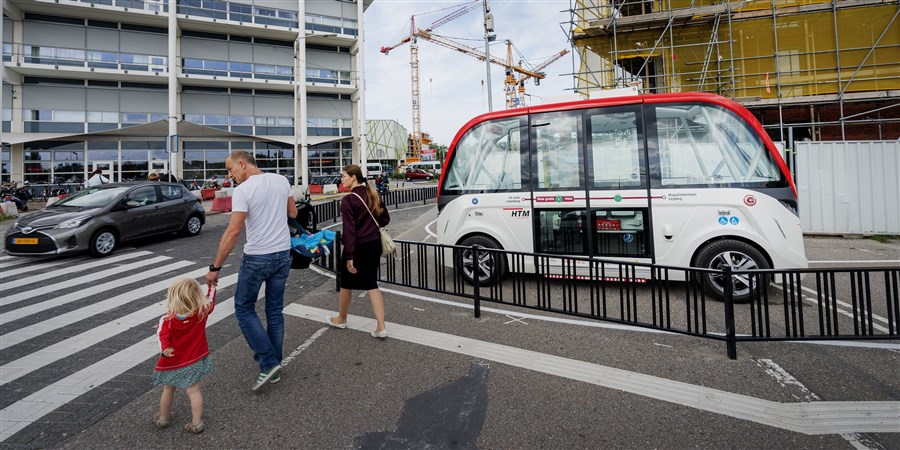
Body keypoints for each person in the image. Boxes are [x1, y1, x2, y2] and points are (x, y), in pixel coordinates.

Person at [205, 151, 297, 391]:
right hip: (282, 254)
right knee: (274, 311)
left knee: (244, 309)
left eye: (230, 169)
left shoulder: (243, 191)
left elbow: (233, 232)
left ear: (242, 164)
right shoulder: (281, 180)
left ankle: (268, 363)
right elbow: (293, 214)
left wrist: (215, 267)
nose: (230, 175)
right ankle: (274, 364)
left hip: (257, 257)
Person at [326, 164, 390, 338]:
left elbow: (349, 230)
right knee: (371, 283)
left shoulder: (349, 200)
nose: (342, 179)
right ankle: (381, 326)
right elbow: (385, 218)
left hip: (358, 246)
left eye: (344, 176)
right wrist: (371, 227)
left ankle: (341, 318)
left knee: (346, 282)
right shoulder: (372, 194)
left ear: (353, 177)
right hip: (374, 244)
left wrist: (350, 255)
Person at [153, 278, 215, 434]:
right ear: (197, 298)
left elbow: (162, 337)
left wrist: (165, 350)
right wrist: (212, 287)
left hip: (173, 362)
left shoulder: (167, 320)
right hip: (194, 359)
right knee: (194, 391)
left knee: (168, 389)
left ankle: (163, 418)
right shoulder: (201, 312)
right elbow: (211, 300)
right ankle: (196, 423)